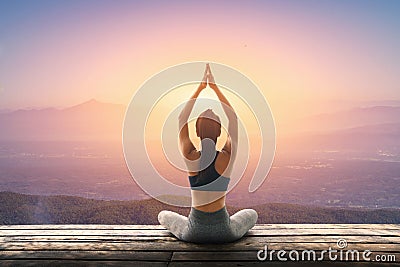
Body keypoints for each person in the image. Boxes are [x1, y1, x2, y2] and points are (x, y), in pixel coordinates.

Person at [158, 63, 258, 243]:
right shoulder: (227, 156)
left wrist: (200, 88)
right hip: (225, 232)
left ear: (196, 132)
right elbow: (233, 118)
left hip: (194, 232)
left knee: (163, 215)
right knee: (251, 214)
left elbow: (182, 118)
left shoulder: (190, 155)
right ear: (221, 132)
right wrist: (215, 88)